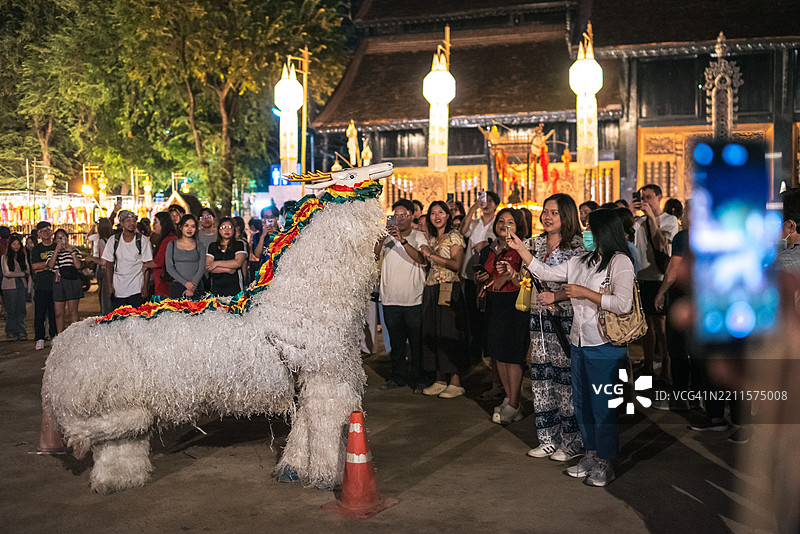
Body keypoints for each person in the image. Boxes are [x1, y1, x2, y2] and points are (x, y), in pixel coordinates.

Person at [508, 208, 635, 487]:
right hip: (579, 341)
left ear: (605, 231)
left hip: (605, 344)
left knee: (603, 405)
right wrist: (522, 251)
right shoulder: (582, 260)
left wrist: (586, 293)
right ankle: (590, 454)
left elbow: (623, 303)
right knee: (583, 403)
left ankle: (605, 461)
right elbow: (546, 272)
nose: (586, 232)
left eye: (591, 228)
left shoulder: (619, 262)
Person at [512, 194, 585, 459]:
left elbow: (581, 284)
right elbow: (525, 274)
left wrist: (558, 296)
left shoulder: (578, 247)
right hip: (539, 319)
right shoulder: (535, 243)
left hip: (564, 319)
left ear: (566, 215)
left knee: (565, 380)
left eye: (554, 212)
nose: (547, 216)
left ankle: (571, 441)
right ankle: (547, 437)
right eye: (545, 212)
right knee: (541, 378)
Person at [475, 208, 529, 424]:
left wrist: (509, 275)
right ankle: (508, 399)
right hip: (493, 304)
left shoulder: (521, 248)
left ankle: (516, 403)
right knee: (499, 354)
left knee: (513, 355)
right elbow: (483, 275)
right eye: (501, 221)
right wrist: (481, 276)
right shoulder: (489, 249)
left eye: (511, 222)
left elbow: (526, 281)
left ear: (518, 227)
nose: (505, 225)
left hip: (514, 303)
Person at [374, 199, 427, 391]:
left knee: (417, 343)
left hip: (413, 298)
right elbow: (373, 256)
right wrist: (381, 238)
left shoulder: (419, 236)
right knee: (396, 344)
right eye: (396, 215)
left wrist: (402, 241)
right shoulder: (386, 237)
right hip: (389, 298)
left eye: (404, 215)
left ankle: (420, 378)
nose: (400, 219)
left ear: (412, 215)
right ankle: (397, 377)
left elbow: (422, 260)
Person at [419, 201, 469, 398]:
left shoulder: (454, 236)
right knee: (434, 332)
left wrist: (431, 255)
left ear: (448, 215)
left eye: (441, 212)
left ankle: (455, 381)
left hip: (448, 287)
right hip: (432, 287)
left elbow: (456, 264)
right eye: (432, 213)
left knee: (450, 332)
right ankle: (439, 378)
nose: (436, 216)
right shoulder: (432, 237)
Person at [632, 184, 680, 378]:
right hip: (642, 276)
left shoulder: (669, 220)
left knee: (661, 326)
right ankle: (648, 365)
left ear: (659, 197)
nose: (645, 201)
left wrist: (652, 218)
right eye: (642, 198)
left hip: (660, 278)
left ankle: (666, 368)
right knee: (645, 326)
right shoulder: (638, 222)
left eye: (649, 197)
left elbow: (661, 245)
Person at [460, 191, 499, 369]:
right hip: (470, 273)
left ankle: (489, 353)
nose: (487, 204)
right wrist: (473, 207)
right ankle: (475, 353)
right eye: (484, 201)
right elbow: (462, 231)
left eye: (490, 201)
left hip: (489, 275)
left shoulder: (497, 224)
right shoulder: (475, 223)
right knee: (472, 314)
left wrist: (488, 244)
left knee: (488, 315)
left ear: (496, 205)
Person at [102, 210, 155, 310]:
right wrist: (110, 286)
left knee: (137, 318)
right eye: (128, 221)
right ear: (121, 223)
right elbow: (109, 264)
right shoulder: (113, 240)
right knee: (119, 319)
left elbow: (147, 265)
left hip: (137, 287)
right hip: (118, 288)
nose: (132, 223)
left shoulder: (143, 241)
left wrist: (145, 286)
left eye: (134, 221)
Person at [48, 229, 84, 333]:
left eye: (63, 237)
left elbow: (78, 266)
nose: (61, 240)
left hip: (72, 282)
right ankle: (60, 335)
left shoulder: (75, 251)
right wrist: (56, 250)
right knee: (59, 312)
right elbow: (50, 265)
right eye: (58, 238)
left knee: (72, 311)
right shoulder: (51, 253)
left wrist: (71, 252)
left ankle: (74, 335)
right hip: (59, 282)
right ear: (55, 240)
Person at [30, 222, 58, 349]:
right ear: (39, 234)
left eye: (48, 230)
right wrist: (49, 264)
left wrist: (44, 266)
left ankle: (54, 336)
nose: (46, 233)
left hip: (56, 285)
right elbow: (35, 266)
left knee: (54, 313)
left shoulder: (57, 246)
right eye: (43, 231)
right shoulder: (37, 249)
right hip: (41, 285)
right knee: (40, 313)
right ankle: (40, 338)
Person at [165, 214, 206, 299]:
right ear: (180, 227)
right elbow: (169, 268)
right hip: (177, 286)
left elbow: (202, 268)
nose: (189, 229)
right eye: (186, 225)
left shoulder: (200, 245)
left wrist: (193, 286)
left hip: (196, 286)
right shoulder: (172, 245)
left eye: (193, 226)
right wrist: (186, 283)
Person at [206, 216, 247, 297]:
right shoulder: (212, 246)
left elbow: (237, 263)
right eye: (223, 227)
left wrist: (216, 263)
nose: (227, 230)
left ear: (234, 230)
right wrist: (228, 270)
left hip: (235, 287)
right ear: (218, 230)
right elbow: (209, 266)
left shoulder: (239, 244)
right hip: (216, 287)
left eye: (230, 227)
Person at [2, 234, 29, 340]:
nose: (16, 246)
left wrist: (23, 274)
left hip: (21, 284)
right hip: (9, 285)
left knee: (21, 308)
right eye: (14, 244)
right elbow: (6, 273)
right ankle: (10, 330)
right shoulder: (5, 257)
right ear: (10, 245)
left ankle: (21, 330)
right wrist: (22, 274)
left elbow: (27, 271)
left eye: (18, 244)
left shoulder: (23, 256)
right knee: (11, 309)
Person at [151, 212, 178, 298]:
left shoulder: (169, 239)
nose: (153, 225)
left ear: (163, 223)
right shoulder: (164, 238)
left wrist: (142, 264)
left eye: (156, 222)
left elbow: (158, 262)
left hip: (164, 283)